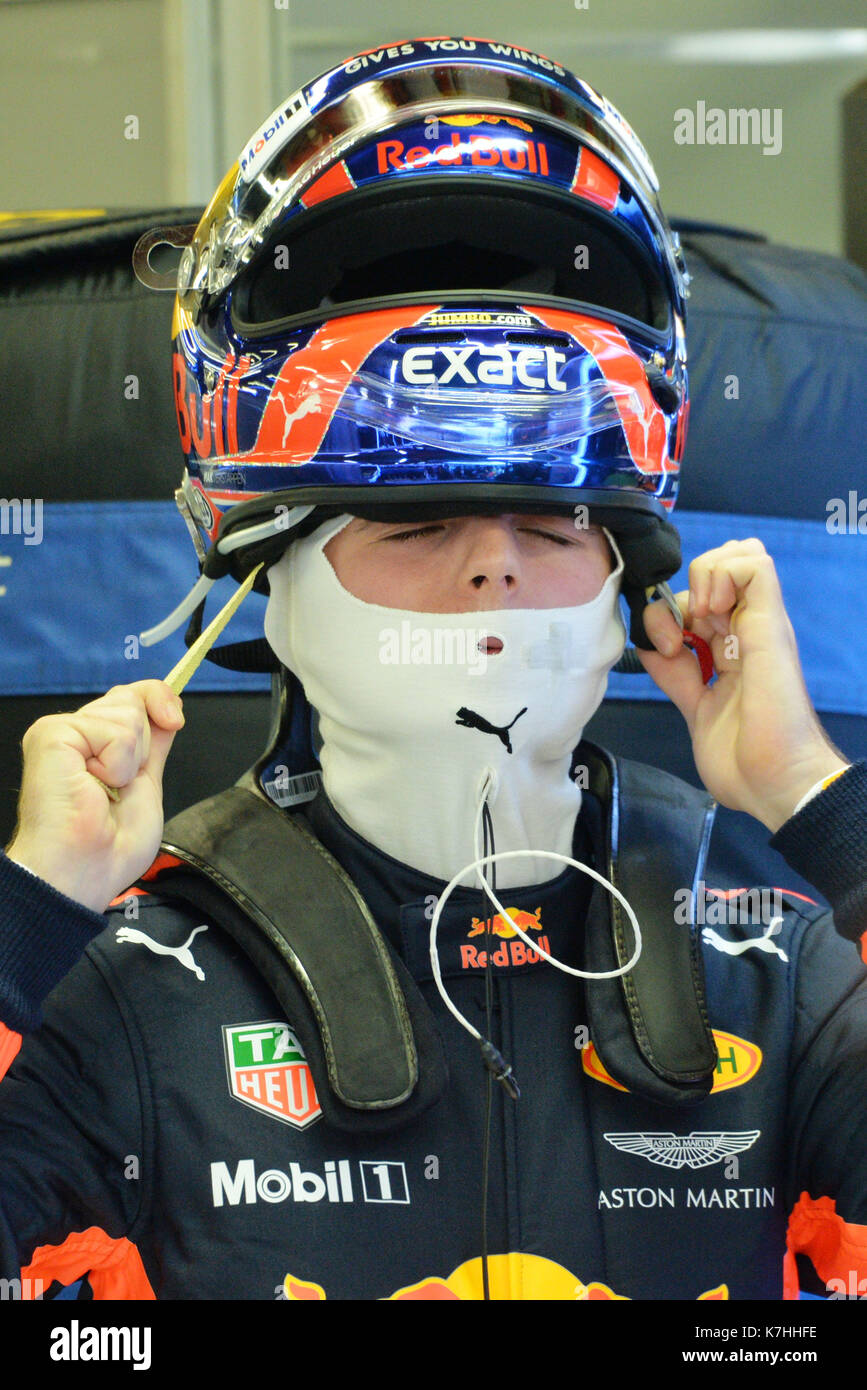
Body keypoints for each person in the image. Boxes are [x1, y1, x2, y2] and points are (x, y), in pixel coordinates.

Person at [0, 36, 865, 1303]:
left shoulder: (776, 968)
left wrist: (818, 802)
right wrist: (25, 921)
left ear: (633, 579)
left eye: (555, 521)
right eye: (412, 522)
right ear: (263, 586)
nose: (493, 572)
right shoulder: (122, 994)